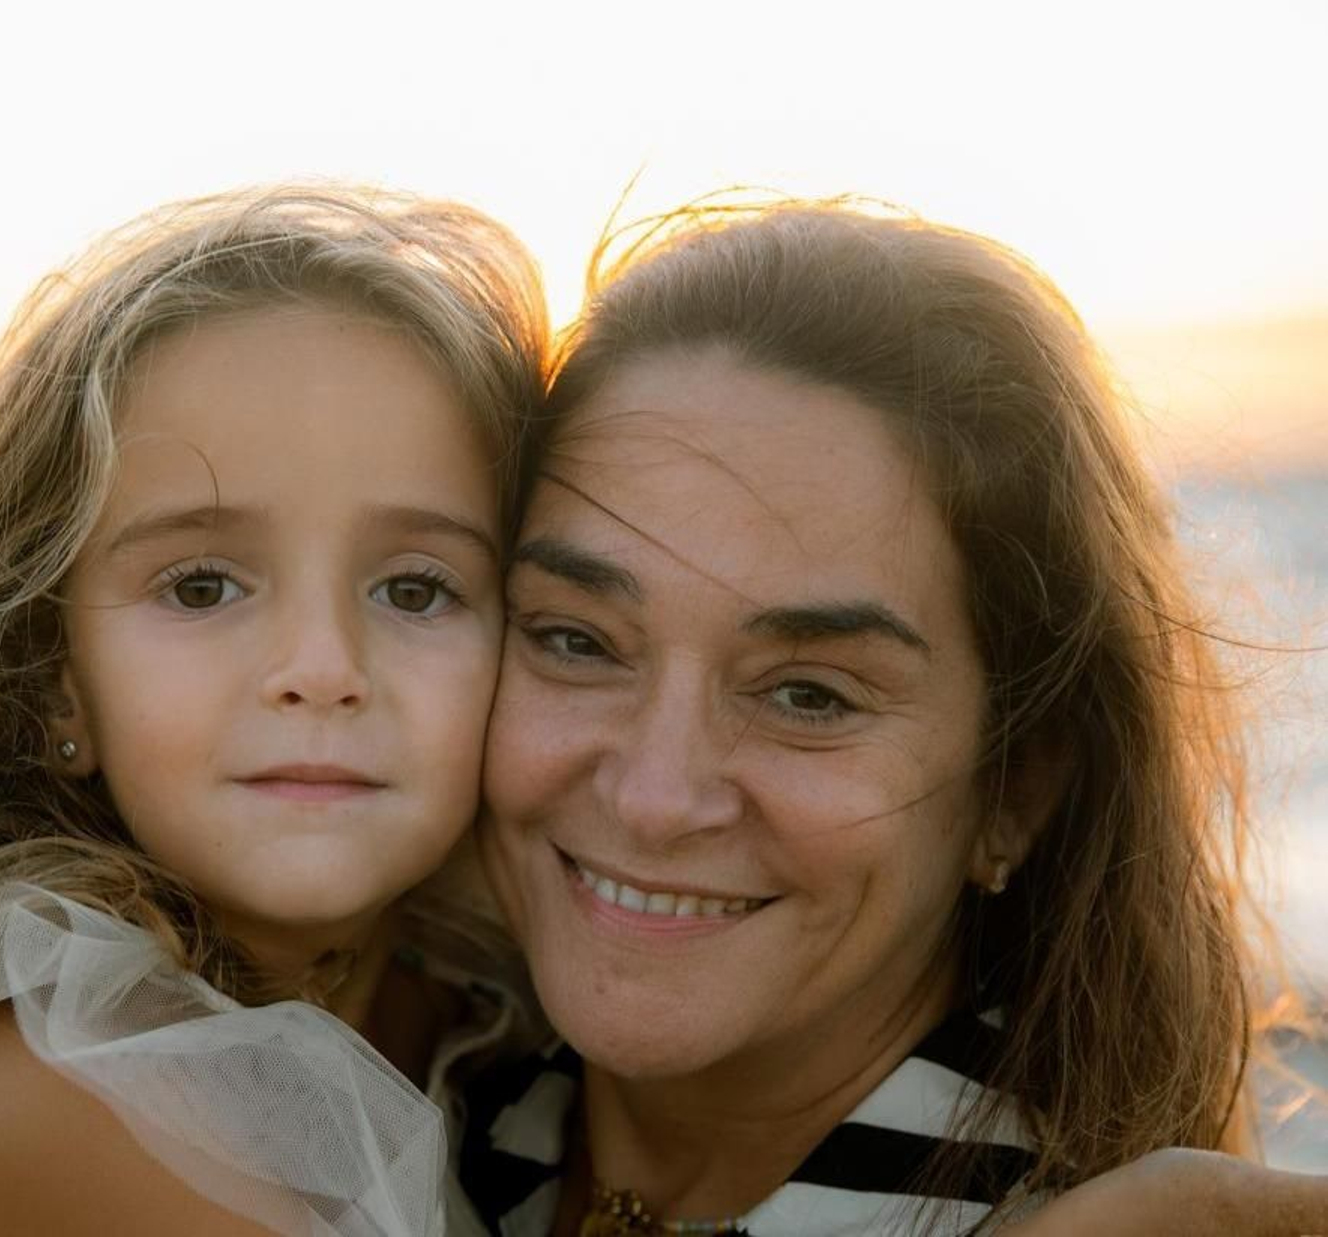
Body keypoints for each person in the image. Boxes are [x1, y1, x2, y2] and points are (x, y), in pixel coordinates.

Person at [460, 198, 1324, 1235]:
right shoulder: (392, 1117)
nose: (654, 796)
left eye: (808, 695)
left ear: (1014, 787)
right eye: (576, 640)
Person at [0, 184, 547, 1236]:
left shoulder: (466, 1015)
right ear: (50, 680)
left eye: (416, 589)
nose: (323, 667)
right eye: (201, 586)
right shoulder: (49, 1084)